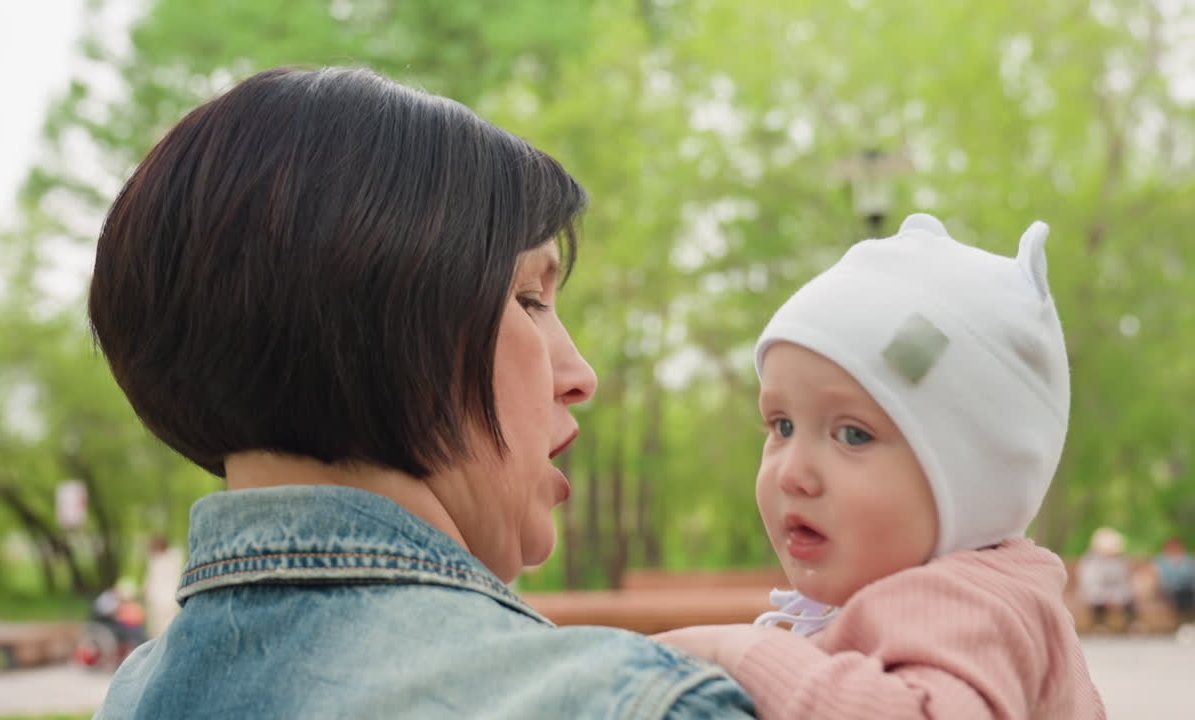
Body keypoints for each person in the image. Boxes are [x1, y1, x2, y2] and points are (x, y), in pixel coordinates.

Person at [88, 66, 754, 719]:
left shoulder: (135, 694)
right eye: (529, 299)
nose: (580, 375)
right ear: (382, 323)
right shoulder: (616, 701)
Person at [653, 214, 1105, 718]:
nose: (792, 473)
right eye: (781, 426)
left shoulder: (967, 604)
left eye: (853, 434)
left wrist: (739, 652)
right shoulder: (972, 594)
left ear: (971, 479)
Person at [1077, 526, 1138, 630]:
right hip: (1096, 592)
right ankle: (1098, 624)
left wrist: (1115, 595)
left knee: (1129, 597)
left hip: (1116, 592)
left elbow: (1123, 581)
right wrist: (1106, 596)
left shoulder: (1119, 561)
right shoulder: (1090, 561)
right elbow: (1089, 584)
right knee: (1096, 600)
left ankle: (1133, 623)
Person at [141, 534, 184, 637]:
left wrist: (146, 592)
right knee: (161, 628)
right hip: (166, 599)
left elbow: (152, 581)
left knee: (161, 629)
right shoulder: (172, 559)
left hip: (163, 599)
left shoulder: (161, 561)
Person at [1154, 536, 1195, 622]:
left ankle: (1186, 619)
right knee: (1179, 596)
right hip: (1168, 589)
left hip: (1187, 589)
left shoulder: (1188, 560)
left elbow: (1191, 576)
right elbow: (1160, 578)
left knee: (1186, 595)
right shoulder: (1160, 561)